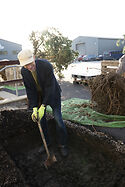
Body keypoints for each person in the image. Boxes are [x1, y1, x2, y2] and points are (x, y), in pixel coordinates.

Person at [17, 49, 68, 157]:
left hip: (53, 94)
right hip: (39, 96)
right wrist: (34, 107)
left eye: (30, 63)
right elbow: (30, 90)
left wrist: (44, 105)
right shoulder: (24, 71)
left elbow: (50, 87)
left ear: (34, 58)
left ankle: (62, 144)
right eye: (26, 65)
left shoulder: (46, 66)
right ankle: (47, 143)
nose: (29, 67)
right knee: (41, 120)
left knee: (58, 119)